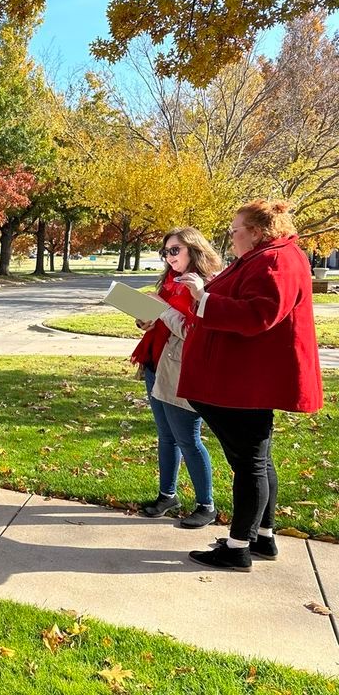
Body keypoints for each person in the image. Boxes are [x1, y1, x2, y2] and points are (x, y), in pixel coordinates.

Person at [177, 199, 323, 572]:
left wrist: (202, 297)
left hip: (244, 384)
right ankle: (262, 536)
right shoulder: (267, 256)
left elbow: (259, 315)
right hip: (241, 381)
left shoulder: (276, 260)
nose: (230, 236)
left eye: (235, 230)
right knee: (257, 462)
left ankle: (237, 546)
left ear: (256, 232)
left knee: (250, 465)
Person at [132, 228, 222, 529]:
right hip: (155, 364)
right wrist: (145, 317)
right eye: (166, 252)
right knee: (166, 436)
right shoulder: (170, 281)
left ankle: (206, 505)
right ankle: (167, 495)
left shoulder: (206, 285)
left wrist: (162, 309)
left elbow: (191, 331)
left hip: (182, 371)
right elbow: (163, 322)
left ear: (194, 250)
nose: (169, 258)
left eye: (175, 251)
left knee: (188, 438)